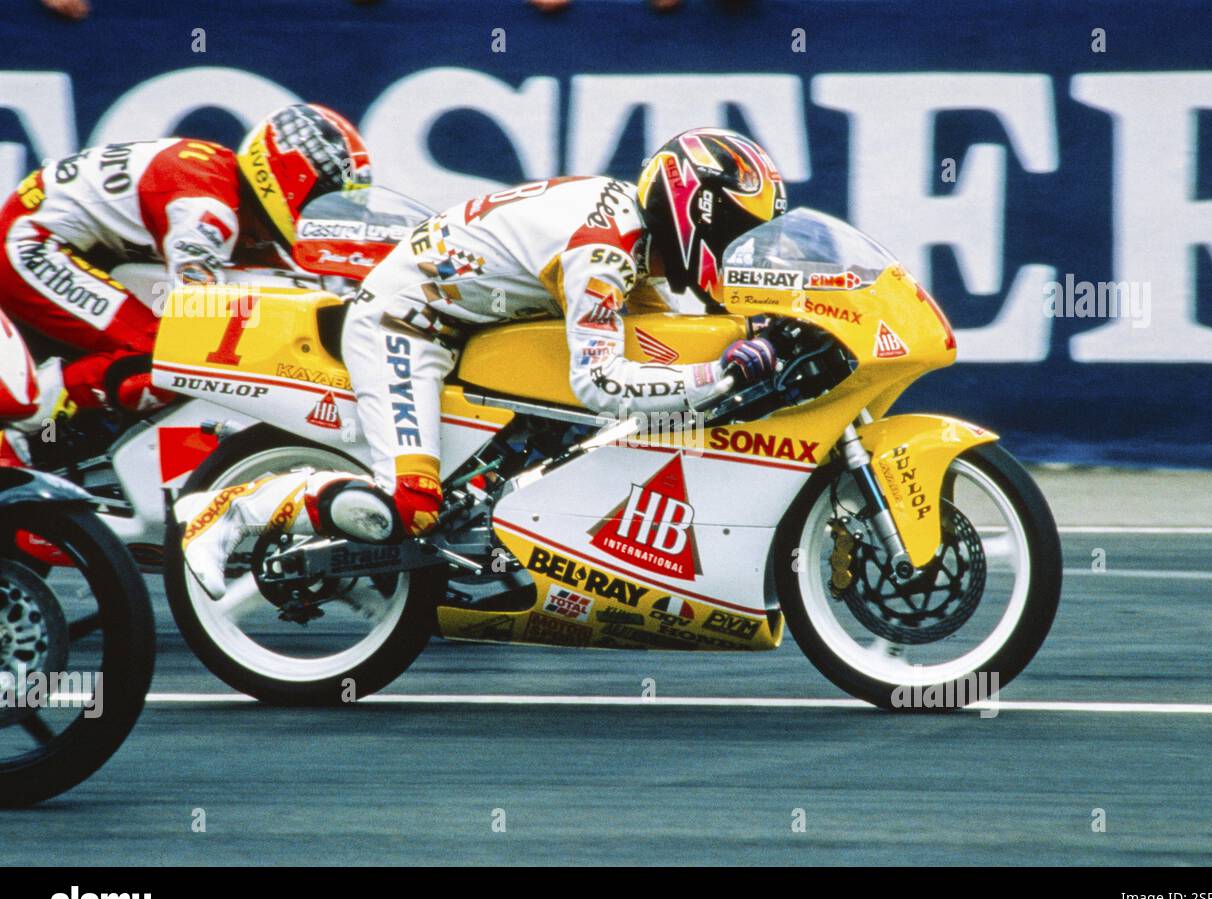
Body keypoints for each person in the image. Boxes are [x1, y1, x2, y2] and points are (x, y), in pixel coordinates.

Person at [177, 128, 786, 599]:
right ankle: (229, 512)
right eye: (736, 232)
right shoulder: (603, 251)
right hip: (407, 326)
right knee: (410, 505)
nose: (734, 250)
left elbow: (662, 344)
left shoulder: (631, 235)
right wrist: (725, 374)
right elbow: (601, 381)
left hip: (466, 327)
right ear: (697, 208)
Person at [0, 103, 370, 434]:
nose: (325, 213)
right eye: (323, 198)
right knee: (169, 352)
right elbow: (197, 315)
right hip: (32, 244)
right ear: (290, 180)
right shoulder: (206, 209)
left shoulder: (234, 193)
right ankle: (26, 429)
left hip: (84, 246)